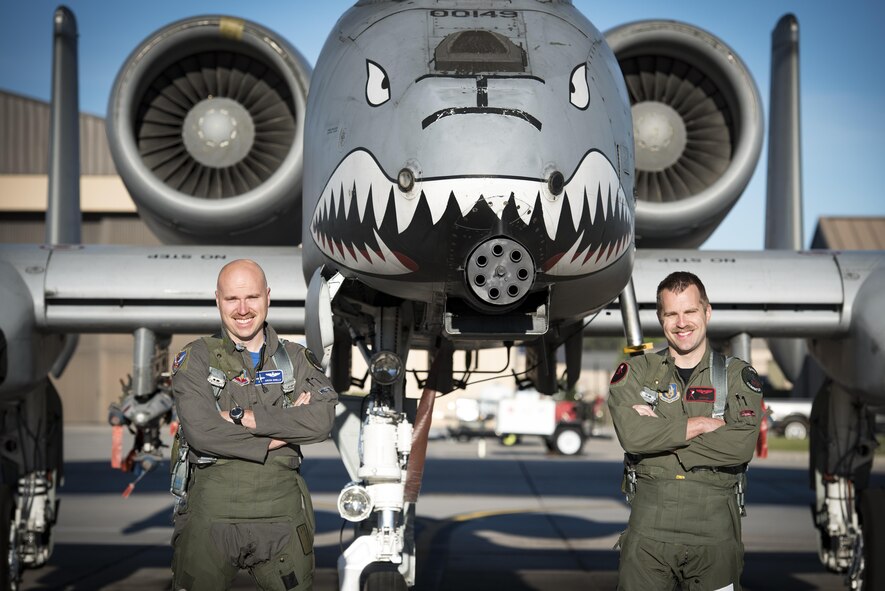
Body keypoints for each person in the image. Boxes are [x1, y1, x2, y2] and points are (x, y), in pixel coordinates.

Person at [170, 259, 338, 591]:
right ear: (218, 299)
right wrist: (284, 431)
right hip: (211, 521)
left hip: (282, 522)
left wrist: (240, 417)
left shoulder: (296, 359)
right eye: (232, 299)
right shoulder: (197, 357)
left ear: (268, 297)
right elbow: (202, 432)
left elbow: (321, 420)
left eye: (252, 298)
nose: (243, 309)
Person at [608, 271, 764, 591]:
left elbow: (741, 445)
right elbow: (632, 436)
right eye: (672, 314)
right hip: (649, 534)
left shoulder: (737, 375)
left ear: (706, 312)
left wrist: (659, 433)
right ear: (660, 318)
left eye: (690, 311)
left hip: (715, 537)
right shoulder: (637, 371)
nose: (682, 322)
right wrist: (704, 425)